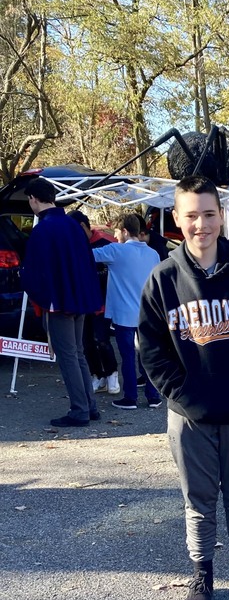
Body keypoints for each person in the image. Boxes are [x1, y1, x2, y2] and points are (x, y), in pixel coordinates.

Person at [138, 175, 229, 600]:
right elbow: (152, 348)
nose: (201, 224)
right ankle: (202, 572)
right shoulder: (162, 279)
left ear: (222, 217)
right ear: (177, 220)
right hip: (189, 414)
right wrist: (182, 395)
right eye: (192, 215)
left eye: (209, 214)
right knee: (197, 499)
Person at [20, 178, 103, 427]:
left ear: (34, 198)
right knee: (77, 353)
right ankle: (90, 406)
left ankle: (80, 411)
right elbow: (87, 262)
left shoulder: (43, 229)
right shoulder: (72, 225)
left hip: (59, 301)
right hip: (81, 298)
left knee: (68, 355)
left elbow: (35, 270)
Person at [93, 212, 162, 409]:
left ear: (124, 231)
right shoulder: (153, 253)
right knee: (148, 355)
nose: (115, 236)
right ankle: (153, 395)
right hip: (149, 313)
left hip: (124, 314)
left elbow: (87, 255)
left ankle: (130, 397)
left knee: (127, 357)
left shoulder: (116, 251)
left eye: (116, 232)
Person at [69, 210, 120, 395]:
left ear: (82, 226)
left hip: (104, 301)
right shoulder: (73, 245)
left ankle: (112, 373)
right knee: (86, 342)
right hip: (82, 302)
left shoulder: (107, 242)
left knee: (102, 340)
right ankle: (97, 375)